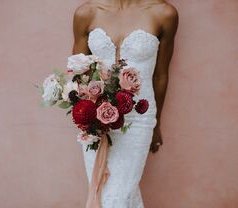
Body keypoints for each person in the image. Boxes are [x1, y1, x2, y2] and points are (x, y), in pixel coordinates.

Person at [71, 0, 178, 207]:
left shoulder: (164, 13)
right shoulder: (86, 13)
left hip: (139, 120)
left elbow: (160, 76)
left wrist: (156, 125)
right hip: (95, 122)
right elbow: (78, 73)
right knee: (103, 193)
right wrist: (85, 118)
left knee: (117, 198)